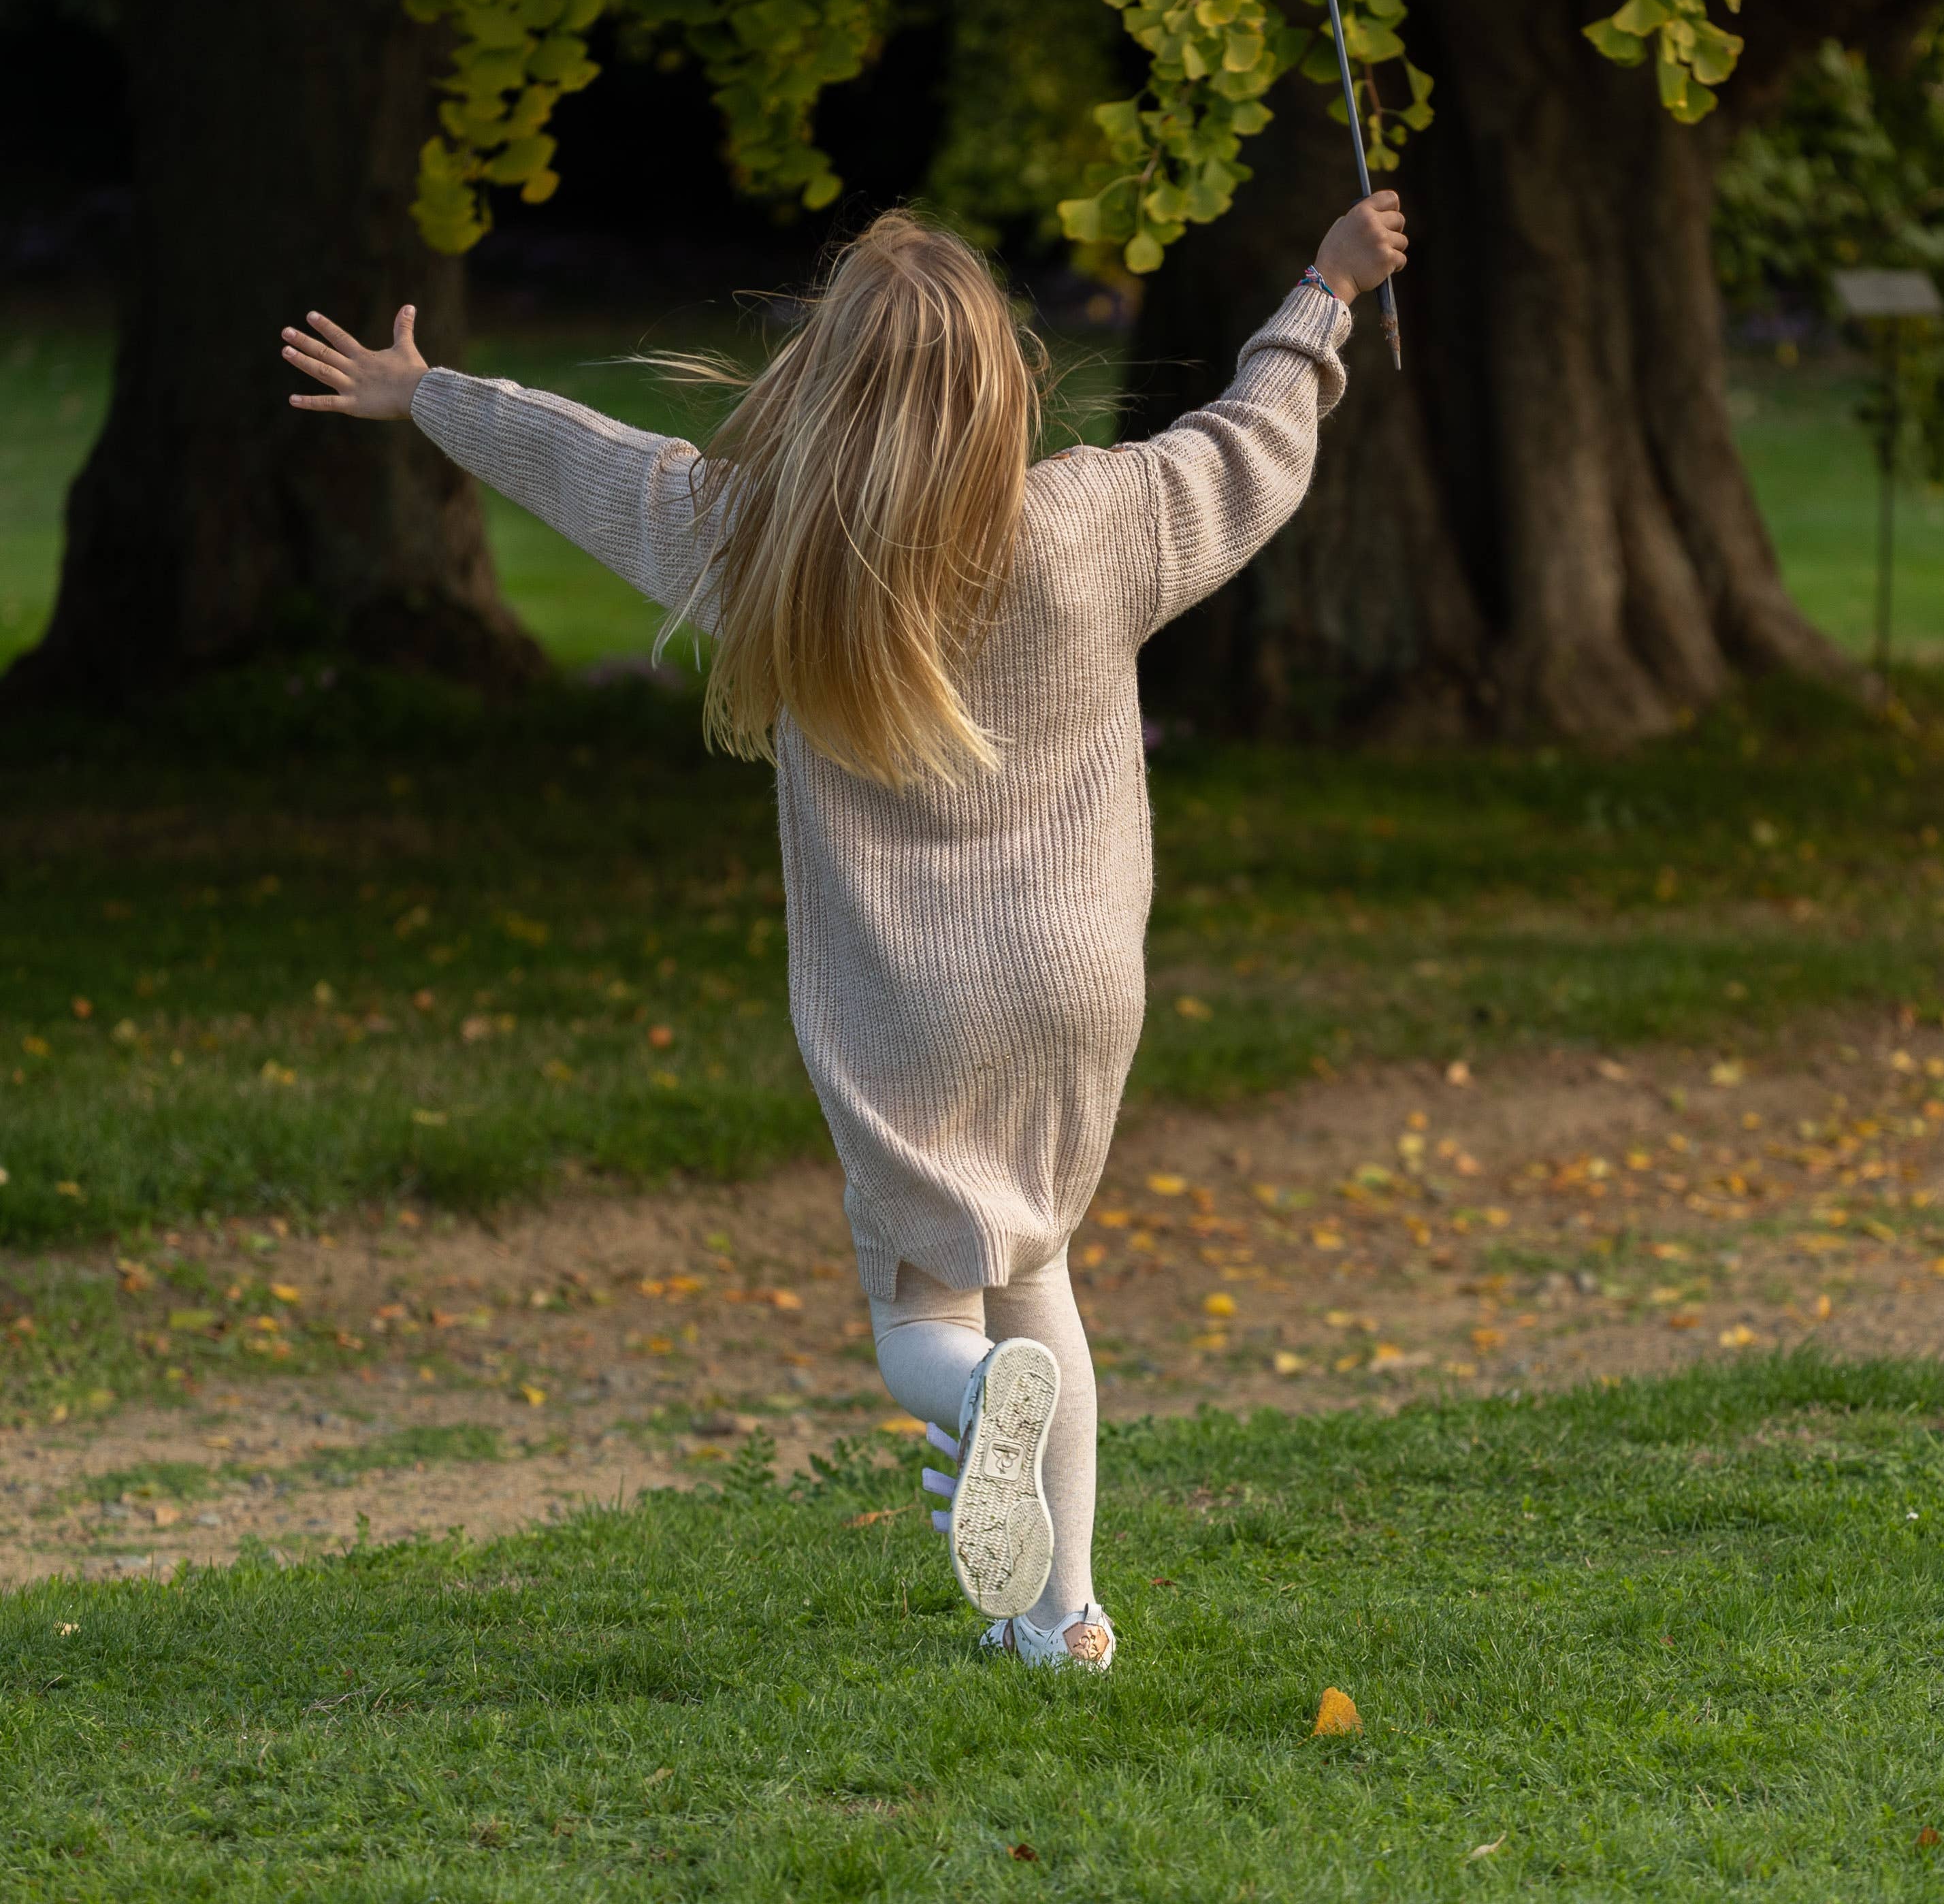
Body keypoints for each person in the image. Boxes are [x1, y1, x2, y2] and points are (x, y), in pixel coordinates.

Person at [278, 191, 1410, 1672]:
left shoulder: (765, 543)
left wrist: (429, 395)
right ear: (1005, 381)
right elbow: (1250, 444)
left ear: (823, 385)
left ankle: (963, 1402)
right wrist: (1325, 289)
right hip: (1076, 985)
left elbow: (594, 466)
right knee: (1041, 1264)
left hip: (905, 999)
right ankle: (1062, 1617)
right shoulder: (1097, 521)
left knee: (927, 1316)